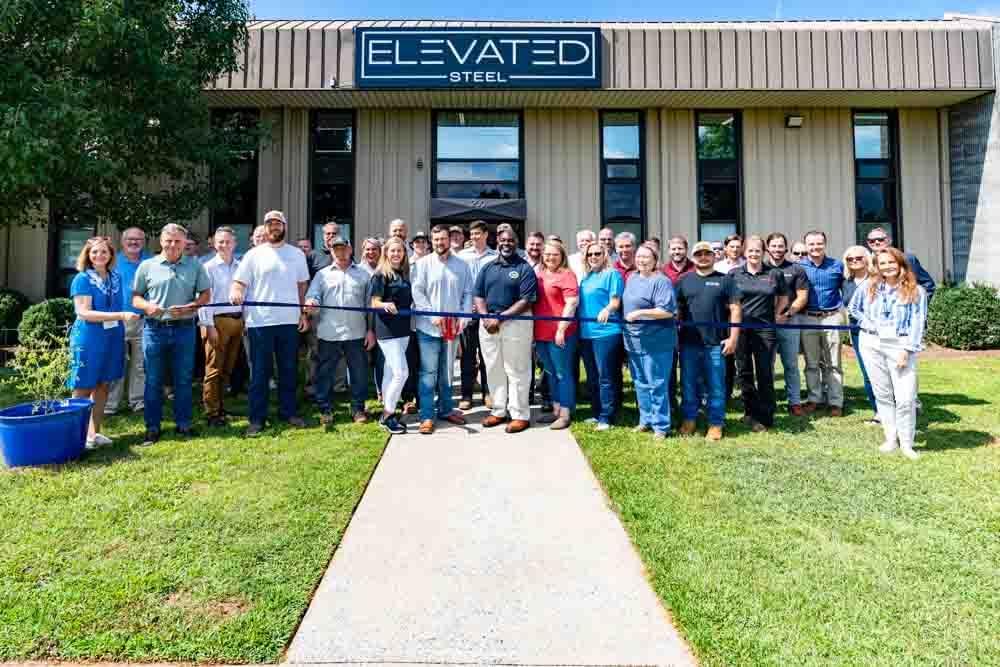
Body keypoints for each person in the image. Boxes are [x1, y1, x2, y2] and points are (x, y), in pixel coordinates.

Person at [230, 210, 311, 437]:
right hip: (260, 322)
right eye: (269, 224)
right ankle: (257, 419)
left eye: (278, 223)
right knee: (260, 373)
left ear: (284, 226)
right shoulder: (253, 255)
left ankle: (289, 413)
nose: (274, 227)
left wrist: (303, 313)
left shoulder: (296, 254)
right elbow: (239, 282)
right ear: (265, 228)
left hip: (289, 321)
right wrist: (236, 292)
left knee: (288, 370)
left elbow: (302, 286)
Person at [132, 224, 211, 445]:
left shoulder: (195, 265)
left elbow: (206, 294)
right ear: (161, 241)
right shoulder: (147, 266)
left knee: (183, 379)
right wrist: (147, 306)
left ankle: (183, 424)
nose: (173, 245)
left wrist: (191, 306)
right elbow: (136, 297)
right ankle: (152, 427)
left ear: (185, 243)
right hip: (154, 329)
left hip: (184, 328)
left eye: (178, 241)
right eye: (169, 240)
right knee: (153, 379)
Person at [847, 248, 928, 460]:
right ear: (877, 266)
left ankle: (907, 443)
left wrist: (907, 350)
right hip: (871, 343)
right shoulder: (869, 286)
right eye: (882, 263)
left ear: (900, 263)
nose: (887, 267)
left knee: (905, 398)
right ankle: (891, 438)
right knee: (882, 394)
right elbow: (853, 309)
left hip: (900, 344)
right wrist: (868, 323)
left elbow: (918, 322)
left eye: (891, 262)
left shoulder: (916, 290)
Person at [67, 237, 140, 448]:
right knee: (83, 385)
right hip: (90, 337)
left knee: (103, 384)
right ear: (88, 255)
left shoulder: (115, 277)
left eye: (104, 252)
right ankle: (76, 436)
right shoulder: (82, 279)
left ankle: (94, 433)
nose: (99, 255)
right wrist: (121, 315)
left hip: (112, 336)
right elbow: (84, 312)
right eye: (94, 252)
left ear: (111, 255)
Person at [676, 241, 741, 441]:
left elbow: (735, 309)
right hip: (688, 343)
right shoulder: (684, 281)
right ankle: (689, 419)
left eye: (707, 254)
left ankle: (715, 423)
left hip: (716, 343)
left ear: (714, 256)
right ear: (693, 257)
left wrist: (733, 338)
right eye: (699, 254)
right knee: (688, 384)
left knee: (716, 386)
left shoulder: (725, 280)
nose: (703, 257)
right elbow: (677, 312)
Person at [411, 225, 473, 434]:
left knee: (447, 372)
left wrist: (464, 317)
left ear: (449, 240)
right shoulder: (422, 264)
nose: (439, 243)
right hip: (428, 329)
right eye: (436, 239)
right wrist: (432, 315)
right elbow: (418, 293)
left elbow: (468, 293)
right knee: (428, 373)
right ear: (432, 241)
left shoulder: (462, 265)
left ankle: (446, 410)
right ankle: (427, 416)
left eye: (443, 239)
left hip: (452, 330)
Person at [305, 236, 374, 426]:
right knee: (325, 373)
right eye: (336, 249)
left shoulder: (363, 275)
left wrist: (370, 330)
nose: (340, 252)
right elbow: (313, 295)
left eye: (343, 248)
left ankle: (358, 409)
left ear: (350, 250)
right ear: (331, 251)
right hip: (329, 333)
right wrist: (311, 302)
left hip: (357, 332)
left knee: (359, 373)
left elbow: (370, 306)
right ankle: (325, 409)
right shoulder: (322, 275)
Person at [474, 228, 538, 434]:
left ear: (516, 243)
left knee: (517, 369)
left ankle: (520, 415)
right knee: (493, 367)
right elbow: (478, 295)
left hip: (516, 323)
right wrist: (485, 317)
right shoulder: (488, 267)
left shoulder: (524, 268)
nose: (506, 244)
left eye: (510, 240)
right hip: (488, 324)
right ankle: (499, 410)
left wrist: (499, 318)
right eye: (503, 240)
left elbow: (526, 301)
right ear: (497, 242)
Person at [731, 237, 788, 432]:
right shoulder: (734, 274)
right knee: (744, 371)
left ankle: (766, 415)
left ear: (763, 252)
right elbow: (729, 301)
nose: (754, 254)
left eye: (757, 250)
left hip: (765, 330)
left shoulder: (774, 273)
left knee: (765, 372)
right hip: (741, 330)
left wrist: (777, 314)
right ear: (744, 252)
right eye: (750, 250)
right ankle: (750, 413)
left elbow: (783, 297)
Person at [622, 244, 677, 439]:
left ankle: (661, 426)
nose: (641, 260)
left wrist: (639, 313)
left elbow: (667, 311)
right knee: (640, 382)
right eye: (639, 256)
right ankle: (645, 420)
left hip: (656, 342)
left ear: (655, 260)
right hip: (633, 341)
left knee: (657, 383)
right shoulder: (632, 278)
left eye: (646, 257)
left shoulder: (661, 281)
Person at [198, 227, 244, 428]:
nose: (224, 245)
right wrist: (209, 326)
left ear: (235, 244)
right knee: (214, 369)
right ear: (214, 244)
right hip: (217, 322)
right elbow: (203, 300)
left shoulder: (241, 267)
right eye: (221, 242)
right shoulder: (207, 268)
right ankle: (211, 412)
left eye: (228, 242)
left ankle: (221, 407)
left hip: (237, 321)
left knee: (227, 368)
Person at [369, 238, 415, 434]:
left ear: (404, 254)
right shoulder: (380, 275)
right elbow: (374, 302)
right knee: (401, 373)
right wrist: (385, 304)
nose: (396, 254)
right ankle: (387, 415)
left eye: (399, 251)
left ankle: (386, 413)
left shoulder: (403, 274)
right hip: (387, 330)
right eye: (392, 251)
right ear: (386, 253)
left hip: (403, 329)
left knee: (390, 372)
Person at [798, 230, 845, 416]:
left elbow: (848, 289)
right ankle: (814, 399)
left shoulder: (837, 266)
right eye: (811, 244)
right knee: (811, 362)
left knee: (833, 362)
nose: (815, 247)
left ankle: (835, 401)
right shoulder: (799, 267)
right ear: (806, 246)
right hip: (808, 317)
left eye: (819, 243)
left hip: (831, 317)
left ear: (825, 244)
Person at [577, 241, 624, 430]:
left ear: (605, 256)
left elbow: (615, 302)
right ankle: (596, 413)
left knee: (606, 376)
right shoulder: (586, 278)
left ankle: (607, 416)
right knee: (592, 376)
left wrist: (607, 309)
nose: (593, 257)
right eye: (590, 254)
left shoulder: (612, 274)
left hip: (606, 332)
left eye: (597, 253)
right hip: (586, 333)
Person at [533, 240, 580, 430]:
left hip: (561, 333)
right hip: (541, 333)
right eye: (547, 254)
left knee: (563, 372)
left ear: (562, 256)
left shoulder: (567, 275)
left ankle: (566, 413)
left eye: (555, 254)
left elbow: (572, 303)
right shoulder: (540, 274)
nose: (550, 257)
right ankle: (556, 409)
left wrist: (561, 329)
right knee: (550, 372)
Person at [105, 227, 150, 415]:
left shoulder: (150, 262)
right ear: (122, 242)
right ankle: (110, 404)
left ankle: (138, 402)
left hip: (144, 319)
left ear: (144, 242)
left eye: (138, 239)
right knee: (117, 362)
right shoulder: (112, 262)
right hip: (118, 319)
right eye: (130, 239)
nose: (134, 242)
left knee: (140, 364)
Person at [765, 232, 811, 415]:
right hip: (765, 324)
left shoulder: (796, 269)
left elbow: (802, 297)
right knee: (766, 364)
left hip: (789, 321)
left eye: (780, 246)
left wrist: (787, 313)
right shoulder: (761, 268)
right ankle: (767, 400)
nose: (777, 249)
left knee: (791, 364)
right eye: (773, 246)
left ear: (786, 248)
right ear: (767, 248)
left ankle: (794, 401)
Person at [457, 220, 498, 410]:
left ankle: (488, 393)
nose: (474, 237)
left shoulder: (495, 257)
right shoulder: (462, 256)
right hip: (468, 313)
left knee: (487, 355)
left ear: (486, 235)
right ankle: (466, 395)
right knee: (467, 356)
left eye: (477, 233)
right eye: (471, 234)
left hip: (487, 313)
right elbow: (459, 284)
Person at [842, 245, 879, 421]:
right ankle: (878, 411)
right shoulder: (846, 282)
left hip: (879, 332)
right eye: (850, 259)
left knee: (884, 372)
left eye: (859, 258)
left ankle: (898, 408)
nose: (854, 261)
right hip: (857, 332)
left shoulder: (877, 279)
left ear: (867, 259)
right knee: (867, 372)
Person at [661, 236, 695, 413]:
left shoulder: (695, 269)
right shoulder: (662, 271)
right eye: (673, 249)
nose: (676, 252)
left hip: (692, 324)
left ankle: (692, 402)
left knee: (690, 366)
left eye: (680, 248)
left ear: (686, 249)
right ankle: (671, 402)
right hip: (668, 325)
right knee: (670, 365)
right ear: (668, 251)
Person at [864, 227, 936, 300]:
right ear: (868, 243)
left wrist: (916, 303)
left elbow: (928, 285)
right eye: (872, 241)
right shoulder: (863, 261)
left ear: (889, 240)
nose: (876, 242)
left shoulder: (907, 259)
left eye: (880, 239)